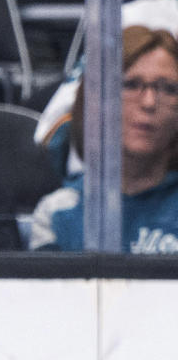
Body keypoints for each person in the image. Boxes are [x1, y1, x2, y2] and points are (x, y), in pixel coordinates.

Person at [30, 24, 178, 253]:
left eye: (168, 88)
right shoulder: (58, 214)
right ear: (95, 101)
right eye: (130, 84)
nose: (149, 102)